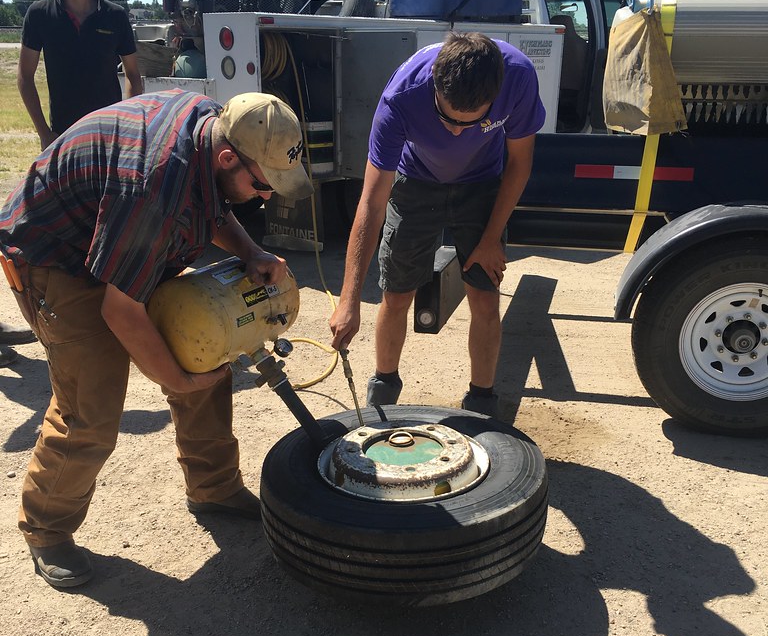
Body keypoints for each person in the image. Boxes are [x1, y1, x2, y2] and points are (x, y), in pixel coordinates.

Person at [0, 89, 313, 591]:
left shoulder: (218, 127)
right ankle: (47, 528)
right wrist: (175, 379)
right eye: (261, 183)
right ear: (228, 156)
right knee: (91, 404)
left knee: (208, 343)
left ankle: (212, 488)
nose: (267, 195)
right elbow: (120, 311)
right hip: (56, 256)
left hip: (119, 233)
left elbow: (211, 204)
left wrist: (251, 251)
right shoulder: (152, 185)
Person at [329, 31, 546, 417]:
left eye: (471, 123)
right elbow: (372, 201)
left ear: (494, 98)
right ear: (434, 86)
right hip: (416, 182)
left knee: (484, 294)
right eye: (447, 118)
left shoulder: (519, 77)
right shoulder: (401, 98)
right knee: (396, 294)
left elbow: (520, 164)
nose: (456, 132)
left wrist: (491, 238)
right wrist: (348, 300)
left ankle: (482, 400)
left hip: (482, 184)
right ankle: (384, 386)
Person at [18, 0, 143, 151]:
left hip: (109, 136)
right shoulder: (39, 14)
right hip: (63, 137)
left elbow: (132, 73)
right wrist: (45, 134)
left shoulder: (115, 16)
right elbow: (25, 77)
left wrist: (127, 124)